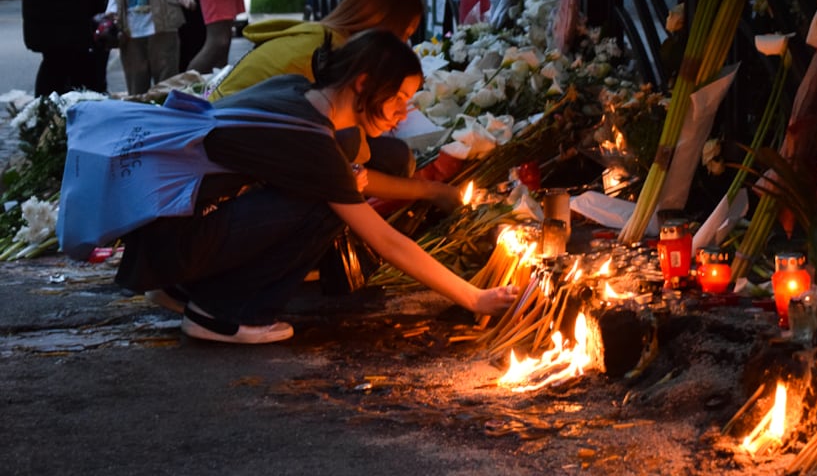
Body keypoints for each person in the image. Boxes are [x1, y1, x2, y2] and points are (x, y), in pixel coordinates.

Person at [116, 29, 519, 344]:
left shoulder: (295, 90)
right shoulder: (311, 139)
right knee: (327, 204)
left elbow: (345, 167)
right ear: (363, 83)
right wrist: (475, 297)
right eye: (398, 97)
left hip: (162, 231)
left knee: (339, 185)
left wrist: (427, 190)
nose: (402, 112)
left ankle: (184, 288)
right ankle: (224, 313)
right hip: (176, 241)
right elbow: (387, 241)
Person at [209, 0, 422, 102]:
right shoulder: (331, 56)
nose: (404, 44)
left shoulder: (320, 35)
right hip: (223, 137)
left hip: (215, 120)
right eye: (405, 34)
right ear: (384, 26)